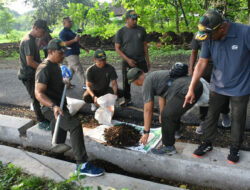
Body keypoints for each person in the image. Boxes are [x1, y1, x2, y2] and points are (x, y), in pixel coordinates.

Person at [184, 9, 250, 164]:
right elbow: (202, 62)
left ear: (221, 28)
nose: (208, 39)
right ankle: (207, 143)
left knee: (237, 119)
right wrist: (191, 87)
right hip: (218, 84)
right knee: (211, 115)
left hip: (240, 86)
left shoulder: (245, 32)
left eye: (211, 35)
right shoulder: (209, 36)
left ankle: (234, 148)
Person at [35, 38, 104, 176]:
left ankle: (58, 150)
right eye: (60, 53)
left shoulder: (55, 65)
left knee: (60, 125)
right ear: (50, 51)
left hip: (60, 104)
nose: (63, 56)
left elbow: (54, 82)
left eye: (64, 53)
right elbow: (38, 93)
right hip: (50, 107)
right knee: (75, 125)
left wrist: (63, 81)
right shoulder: (44, 68)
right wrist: (53, 106)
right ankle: (82, 165)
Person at [127, 64, 203, 155]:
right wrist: (161, 113)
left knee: (167, 115)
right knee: (169, 111)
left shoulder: (146, 83)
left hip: (187, 91)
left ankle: (168, 146)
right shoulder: (153, 76)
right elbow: (162, 96)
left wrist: (146, 132)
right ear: (142, 73)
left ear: (135, 81)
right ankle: (176, 131)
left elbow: (148, 109)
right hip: (195, 85)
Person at [189, 37, 231, 134]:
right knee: (204, 94)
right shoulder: (198, 36)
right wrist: (191, 69)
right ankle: (204, 120)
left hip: (221, 67)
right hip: (205, 67)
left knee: (223, 93)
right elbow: (194, 52)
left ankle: (224, 112)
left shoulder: (221, 33)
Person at [18, 19, 50, 130]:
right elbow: (30, 62)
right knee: (36, 97)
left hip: (34, 73)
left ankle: (46, 116)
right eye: (42, 31)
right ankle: (42, 121)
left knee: (42, 94)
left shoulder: (34, 39)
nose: (43, 33)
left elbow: (36, 59)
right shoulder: (28, 41)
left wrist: (45, 64)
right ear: (35, 27)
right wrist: (44, 69)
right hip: (28, 75)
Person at [115, 10, 150, 106]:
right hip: (127, 61)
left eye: (136, 19)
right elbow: (117, 48)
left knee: (145, 80)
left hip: (141, 59)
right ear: (127, 20)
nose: (135, 21)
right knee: (127, 81)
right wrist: (128, 60)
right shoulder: (120, 32)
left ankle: (148, 100)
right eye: (133, 19)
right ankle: (127, 99)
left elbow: (145, 46)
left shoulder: (141, 30)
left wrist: (147, 60)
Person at [59, 17, 89, 88]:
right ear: (64, 23)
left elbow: (76, 42)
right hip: (70, 54)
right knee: (79, 69)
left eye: (71, 21)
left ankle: (65, 84)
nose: (71, 23)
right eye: (69, 22)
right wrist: (74, 40)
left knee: (70, 71)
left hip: (75, 53)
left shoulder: (71, 31)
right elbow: (63, 44)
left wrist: (84, 48)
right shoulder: (62, 33)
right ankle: (85, 84)